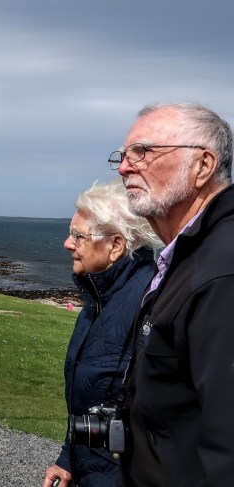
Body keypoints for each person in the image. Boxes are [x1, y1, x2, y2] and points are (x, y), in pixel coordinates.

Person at [112, 103, 234, 486]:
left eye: (143, 152)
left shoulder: (221, 269)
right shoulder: (188, 255)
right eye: (123, 156)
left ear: (203, 165)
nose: (124, 167)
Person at [43, 180, 160, 487]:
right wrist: (67, 459)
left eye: (78, 236)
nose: (67, 244)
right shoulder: (97, 300)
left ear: (115, 246)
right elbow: (94, 404)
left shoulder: (151, 303)